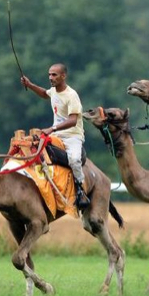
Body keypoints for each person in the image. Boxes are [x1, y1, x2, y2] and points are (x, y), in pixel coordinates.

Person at [20, 63, 90, 209]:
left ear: (63, 76)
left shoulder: (72, 95)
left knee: (75, 159)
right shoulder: (53, 90)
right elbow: (45, 94)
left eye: (54, 75)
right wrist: (30, 84)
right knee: (37, 151)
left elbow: (73, 120)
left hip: (72, 136)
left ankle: (81, 191)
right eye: (49, 74)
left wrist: (52, 128)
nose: (50, 77)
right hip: (57, 134)